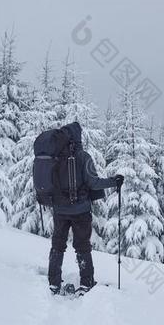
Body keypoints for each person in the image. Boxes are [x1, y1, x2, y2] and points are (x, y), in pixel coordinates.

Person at [47, 122, 123, 295]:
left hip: (59, 210)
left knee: (57, 246)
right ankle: (86, 283)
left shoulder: (55, 156)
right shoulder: (83, 157)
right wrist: (114, 181)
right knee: (82, 247)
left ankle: (54, 283)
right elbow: (94, 183)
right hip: (80, 211)